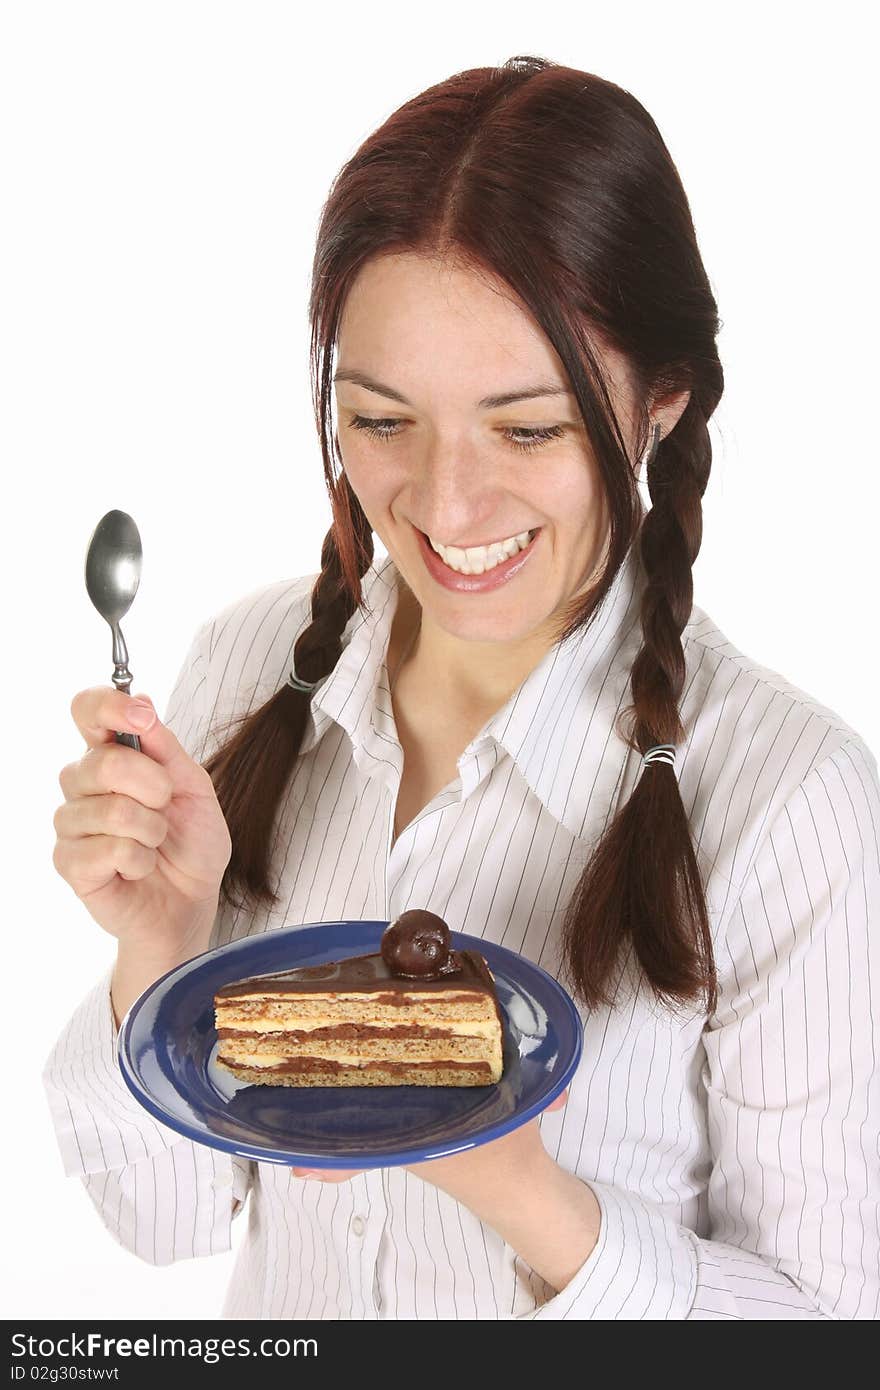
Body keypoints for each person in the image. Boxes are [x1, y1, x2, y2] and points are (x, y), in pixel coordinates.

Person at [44, 55, 879, 1321]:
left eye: (527, 429)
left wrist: (523, 1190)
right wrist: (161, 944)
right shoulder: (246, 665)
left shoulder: (790, 801)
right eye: (382, 421)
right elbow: (161, 1225)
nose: (442, 508)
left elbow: (826, 1326)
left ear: (661, 399)